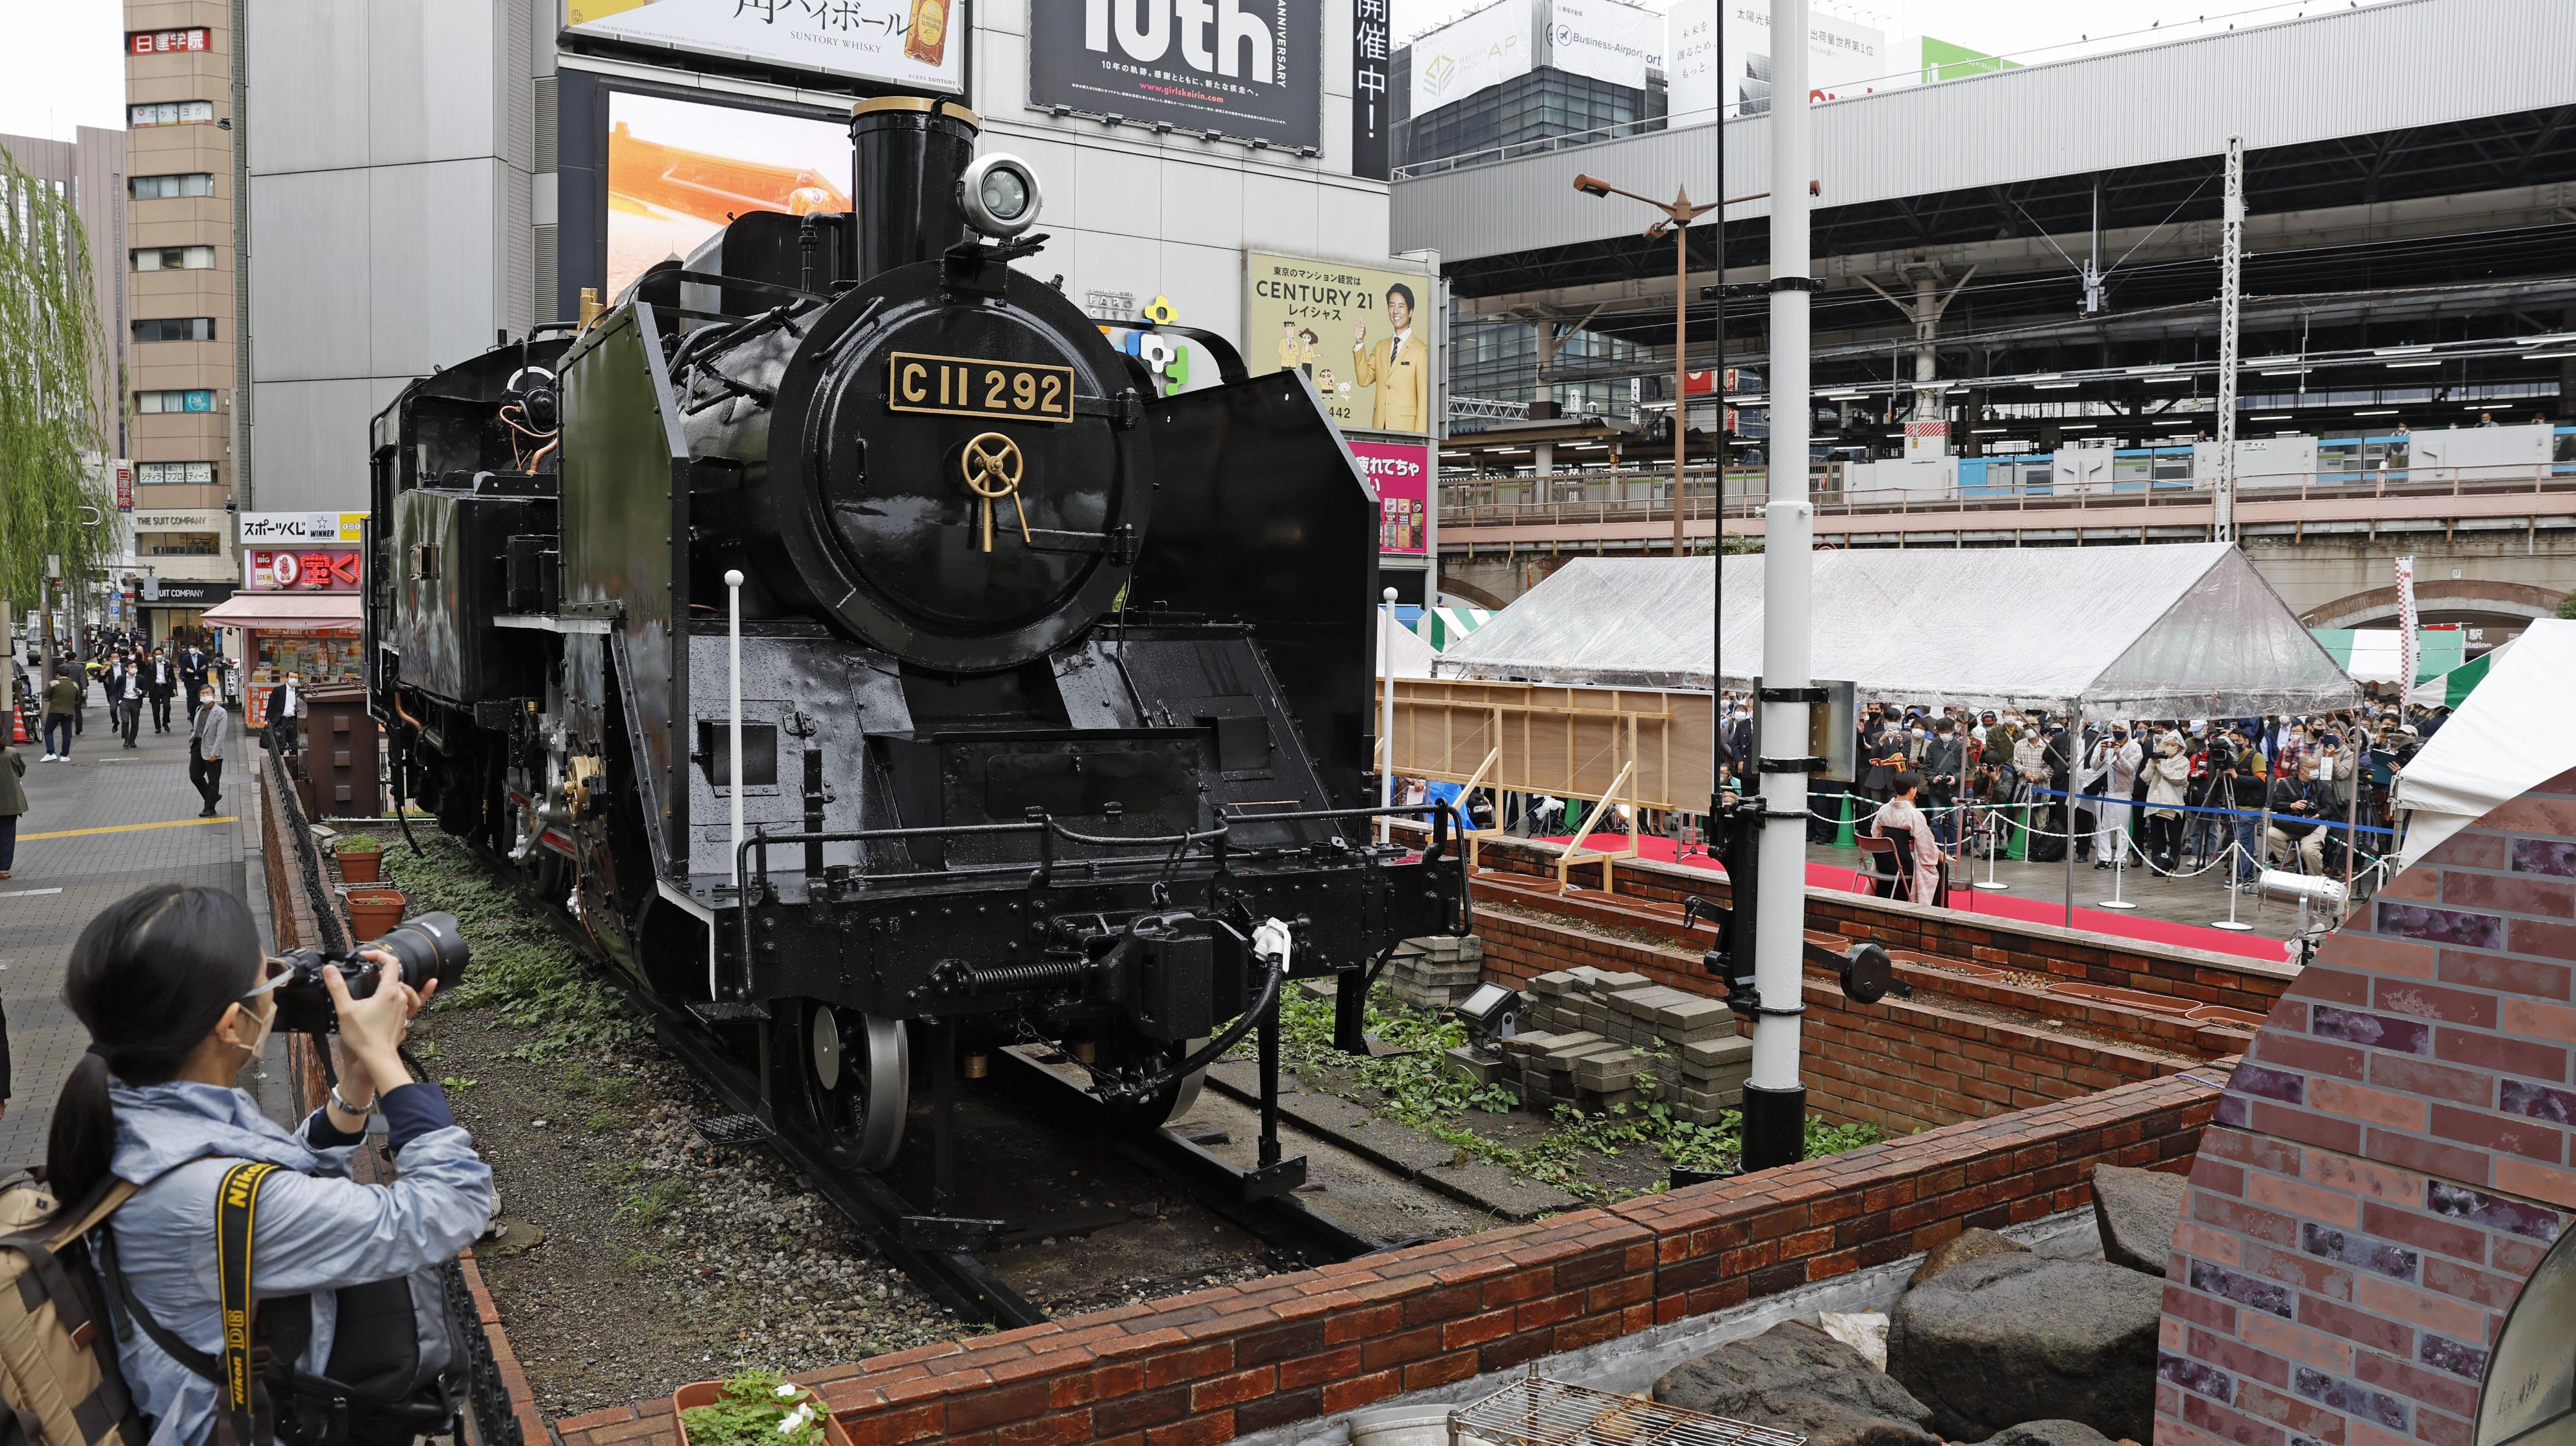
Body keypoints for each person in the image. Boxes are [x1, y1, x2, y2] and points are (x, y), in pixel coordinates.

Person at [48, 885, 493, 1446]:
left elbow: (270, 1181)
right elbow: (451, 1206)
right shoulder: (200, 1193)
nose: (283, 990)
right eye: (272, 976)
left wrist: (354, 1083)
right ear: (232, 1024)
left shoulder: (134, 1107)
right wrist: (386, 1061)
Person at [1350, 282, 1430, 433]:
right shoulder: (1381, 346)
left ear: (1410, 311)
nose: (1395, 311)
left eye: (1401, 306)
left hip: (1406, 430)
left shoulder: (1421, 350)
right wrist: (1360, 343)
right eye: (1391, 305)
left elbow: (1423, 400)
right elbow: (1364, 379)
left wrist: (1419, 438)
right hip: (1380, 427)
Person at [1866, 772, 1944, 905]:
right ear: (1911, 790)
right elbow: (1926, 846)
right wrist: (1938, 854)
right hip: (1905, 863)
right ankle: (1937, 909)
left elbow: (1875, 834)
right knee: (1942, 867)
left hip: (1884, 861)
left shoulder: (1883, 810)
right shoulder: (1914, 814)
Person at [2268, 759, 2328, 873]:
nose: (2316, 770)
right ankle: (2291, 859)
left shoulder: (2322, 786)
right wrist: (2292, 805)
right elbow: (2275, 804)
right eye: (2312, 767)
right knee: (2271, 833)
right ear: (2302, 769)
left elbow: (2331, 808)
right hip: (2290, 824)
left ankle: (2316, 879)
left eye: (2317, 767)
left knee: (2309, 850)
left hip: (2315, 825)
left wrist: (2318, 814)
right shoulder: (2285, 783)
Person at [2143, 733, 2191, 871]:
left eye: (2173, 745)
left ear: (2180, 746)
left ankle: (2173, 866)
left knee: (2174, 837)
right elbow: (2145, 778)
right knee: (2157, 836)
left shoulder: (2183, 761)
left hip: (2173, 803)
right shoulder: (2158, 759)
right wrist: (2152, 763)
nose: (2169, 748)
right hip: (2155, 801)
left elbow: (2178, 778)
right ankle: (2157, 864)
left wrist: (2161, 765)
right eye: (2167, 744)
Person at [1920, 717, 1966, 851]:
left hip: (1954, 791)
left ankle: (1952, 849)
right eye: (1942, 731)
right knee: (1936, 819)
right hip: (1936, 790)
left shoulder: (1959, 746)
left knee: (1954, 821)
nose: (1945, 734)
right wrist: (1932, 778)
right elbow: (1927, 767)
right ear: (1937, 731)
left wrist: (1955, 778)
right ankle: (1938, 849)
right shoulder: (1933, 746)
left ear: (1953, 731)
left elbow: (1965, 769)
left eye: (1947, 731)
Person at [187, 684, 229, 817]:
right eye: (203, 693)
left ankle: (209, 807)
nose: (205, 695)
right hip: (197, 747)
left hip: (212, 750)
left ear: (214, 695)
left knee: (213, 780)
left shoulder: (221, 712)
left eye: (208, 693)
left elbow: (220, 735)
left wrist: (215, 752)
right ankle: (213, 797)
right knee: (195, 776)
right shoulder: (199, 709)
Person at [40, 667, 82, 762]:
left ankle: (51, 753)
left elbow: (46, 697)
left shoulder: (54, 683)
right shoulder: (74, 684)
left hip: (55, 711)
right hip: (69, 712)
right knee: (67, 734)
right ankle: (64, 755)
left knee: (48, 731)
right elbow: (77, 699)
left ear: (58, 675)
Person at [0, 731, 22, 881]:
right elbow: (20, 771)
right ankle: (3, 868)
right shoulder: (11, 753)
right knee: (7, 834)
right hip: (9, 801)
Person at [266, 673, 303, 755]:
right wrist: (267, 720)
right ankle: (280, 761)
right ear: (287, 678)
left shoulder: (299, 691)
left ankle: (293, 762)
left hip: (293, 720)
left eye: (296, 677)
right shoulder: (278, 690)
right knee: (280, 743)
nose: (293, 679)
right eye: (291, 677)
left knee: (293, 743)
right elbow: (271, 706)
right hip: (280, 720)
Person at [145, 648, 177, 734]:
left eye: (160, 654)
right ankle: (157, 727)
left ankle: (165, 722)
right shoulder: (150, 665)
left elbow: (172, 678)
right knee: (156, 709)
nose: (159, 655)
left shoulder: (168, 664)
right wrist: (147, 690)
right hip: (154, 688)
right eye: (157, 654)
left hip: (165, 687)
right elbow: (147, 678)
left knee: (167, 706)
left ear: (163, 654)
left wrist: (174, 688)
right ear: (154, 655)